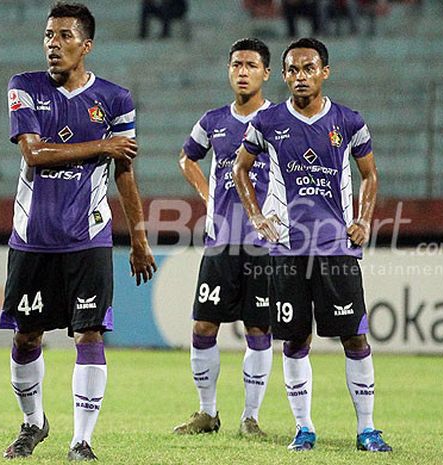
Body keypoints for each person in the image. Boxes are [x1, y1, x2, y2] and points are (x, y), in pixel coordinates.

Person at [0, 2, 157, 460]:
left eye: (65, 36)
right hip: (32, 239)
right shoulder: (23, 87)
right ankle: (33, 424)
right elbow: (34, 154)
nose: (53, 44)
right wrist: (102, 145)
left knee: (89, 335)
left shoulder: (115, 99)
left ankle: (81, 440)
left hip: (88, 238)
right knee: (26, 337)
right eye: (49, 35)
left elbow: (124, 173)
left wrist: (140, 239)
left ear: (85, 46)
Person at [232, 37, 392, 452]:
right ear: (283, 75)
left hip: (337, 249)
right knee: (295, 340)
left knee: (355, 338)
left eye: (308, 69)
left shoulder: (349, 121)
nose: (300, 77)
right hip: (287, 250)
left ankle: (367, 430)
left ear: (325, 72)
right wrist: (256, 216)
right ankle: (304, 428)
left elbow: (370, 176)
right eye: (293, 70)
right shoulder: (266, 124)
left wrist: (363, 219)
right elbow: (240, 170)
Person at [172, 38, 273, 437]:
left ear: (266, 73)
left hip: (265, 245)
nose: (242, 71)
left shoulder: (279, 120)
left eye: (250, 65)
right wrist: (207, 193)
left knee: (259, 330)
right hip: (221, 241)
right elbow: (187, 157)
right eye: (236, 64)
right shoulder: (213, 121)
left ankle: (250, 418)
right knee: (203, 327)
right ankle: (207, 412)